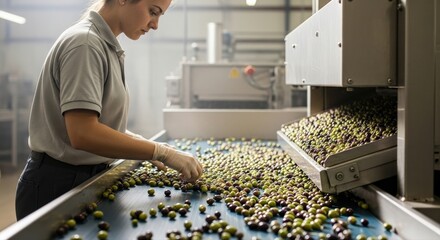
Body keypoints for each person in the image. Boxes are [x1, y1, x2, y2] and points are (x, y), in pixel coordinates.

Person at [15, 0, 203, 220]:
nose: (155, 25)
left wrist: (149, 146)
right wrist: (161, 152)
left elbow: (100, 124)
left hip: (80, 179)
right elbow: (83, 133)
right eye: (153, 12)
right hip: (56, 185)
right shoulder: (85, 44)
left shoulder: (105, 45)